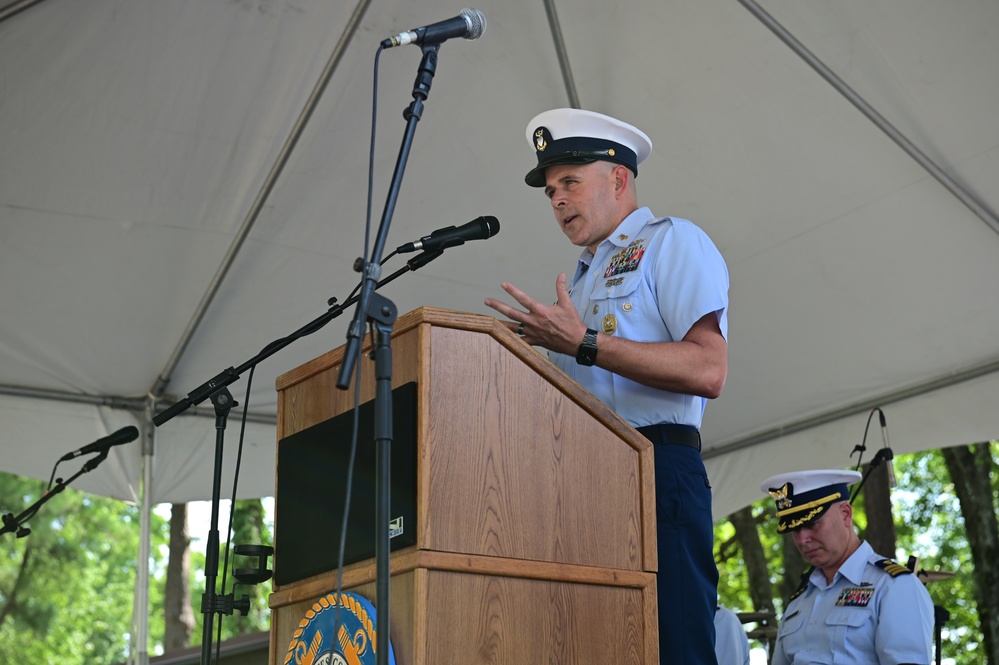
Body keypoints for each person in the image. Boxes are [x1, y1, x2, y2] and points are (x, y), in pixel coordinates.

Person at [484, 107, 729, 664]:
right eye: (549, 191)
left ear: (618, 178)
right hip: (584, 482)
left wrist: (584, 343)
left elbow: (708, 369)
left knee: (675, 647)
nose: (558, 200)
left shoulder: (673, 243)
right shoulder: (584, 277)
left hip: (656, 469)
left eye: (569, 181)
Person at [760, 469, 935, 665]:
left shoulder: (892, 586)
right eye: (795, 530)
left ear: (845, 514)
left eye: (812, 524)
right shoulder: (799, 601)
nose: (802, 539)